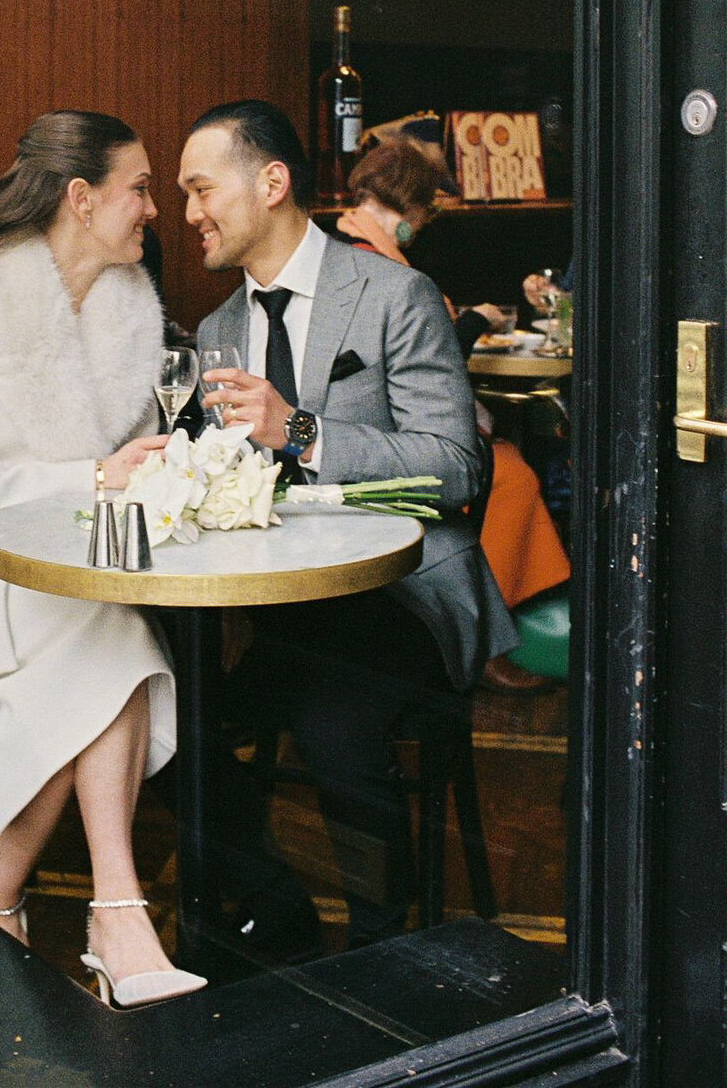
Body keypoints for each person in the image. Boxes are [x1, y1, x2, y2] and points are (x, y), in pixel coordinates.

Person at [179, 101, 518, 951]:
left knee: (335, 730)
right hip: (286, 609)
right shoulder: (218, 333)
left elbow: (455, 467)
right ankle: (268, 898)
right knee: (167, 718)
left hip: (402, 599)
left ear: (272, 182)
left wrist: (300, 431)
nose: (188, 214)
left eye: (200, 189)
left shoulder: (392, 294)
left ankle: (380, 945)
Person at [0, 110, 205, 1006]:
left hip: (79, 569)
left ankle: (20, 906)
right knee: (111, 642)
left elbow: (127, 478)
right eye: (139, 188)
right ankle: (108, 917)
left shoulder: (137, 315)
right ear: (81, 198)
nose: (155, 209)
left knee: (101, 634)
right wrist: (92, 474)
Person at [341, 141, 570, 666]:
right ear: (409, 204)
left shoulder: (363, 249)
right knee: (511, 479)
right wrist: (471, 321)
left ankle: (492, 633)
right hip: (401, 444)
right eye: (425, 211)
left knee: (509, 468)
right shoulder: (370, 261)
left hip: (397, 435)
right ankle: (484, 643)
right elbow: (421, 359)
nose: (423, 225)